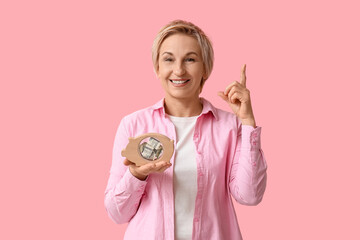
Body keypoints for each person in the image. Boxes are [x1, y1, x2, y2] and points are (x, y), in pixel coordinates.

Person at [104, 19, 268, 240]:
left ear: (205, 69)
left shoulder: (230, 126)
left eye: (190, 59)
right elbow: (116, 213)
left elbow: (250, 196)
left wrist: (247, 121)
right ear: (157, 68)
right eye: (169, 59)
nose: (179, 70)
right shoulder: (133, 125)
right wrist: (136, 175)